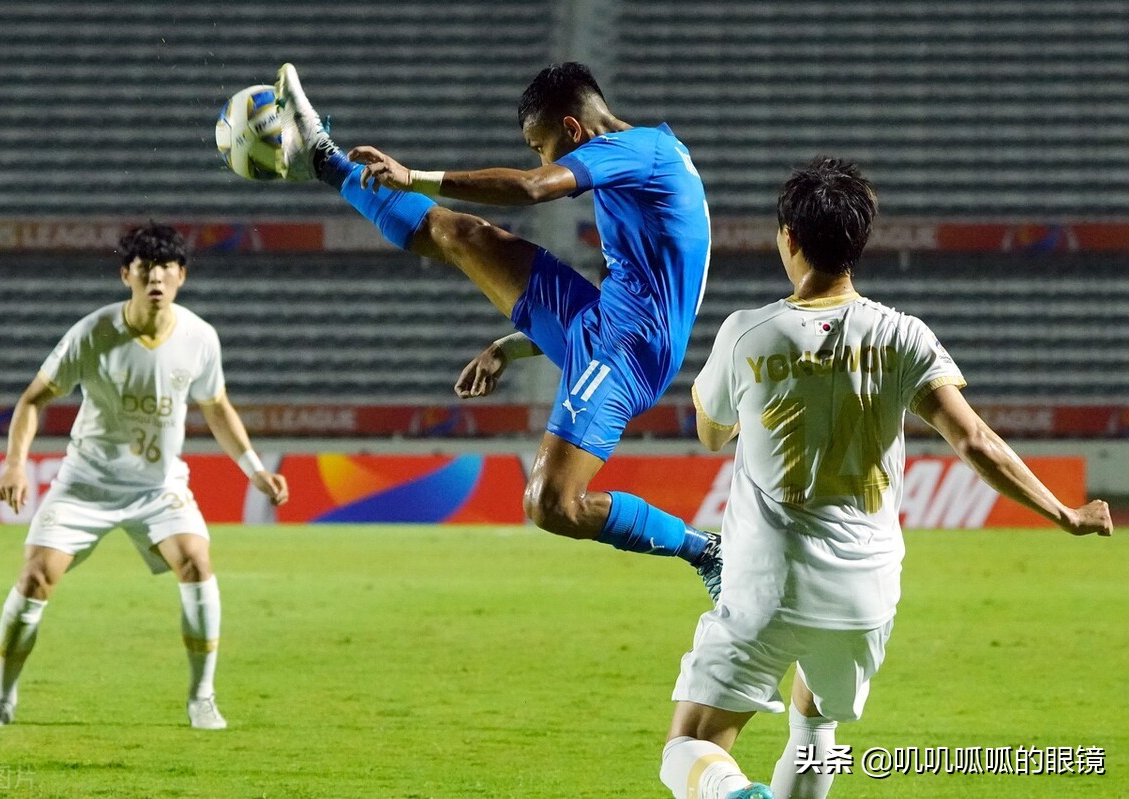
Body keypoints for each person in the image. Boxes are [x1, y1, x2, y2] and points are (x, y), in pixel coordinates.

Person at [658, 157, 1114, 799]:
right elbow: (976, 441)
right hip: (863, 593)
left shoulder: (747, 333)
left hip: (767, 580)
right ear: (859, 243)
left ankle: (737, 796)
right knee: (816, 730)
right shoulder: (905, 336)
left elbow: (711, 433)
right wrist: (1065, 514)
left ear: (788, 236)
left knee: (691, 747)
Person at [272, 62, 721, 596]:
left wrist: (414, 176)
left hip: (626, 355)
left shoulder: (641, 152)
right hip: (602, 320)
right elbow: (634, 293)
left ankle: (707, 550)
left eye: (540, 144)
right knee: (460, 234)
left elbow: (533, 189)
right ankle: (323, 159)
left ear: (573, 130)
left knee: (552, 504)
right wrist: (509, 347)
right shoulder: (647, 157)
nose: (541, 157)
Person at [0, 223, 289, 731]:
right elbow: (33, 399)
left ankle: (202, 697)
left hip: (158, 488)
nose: (156, 278)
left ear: (181, 276)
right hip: (86, 485)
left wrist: (254, 468)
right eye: (145, 269)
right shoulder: (92, 334)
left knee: (196, 563)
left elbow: (217, 407)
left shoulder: (200, 338)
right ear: (127, 276)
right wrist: (15, 461)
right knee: (35, 579)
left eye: (166, 268)